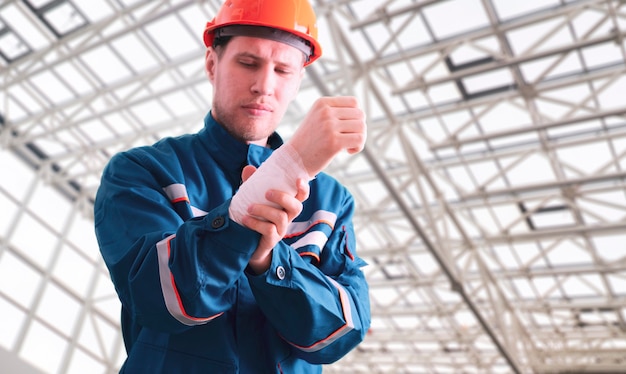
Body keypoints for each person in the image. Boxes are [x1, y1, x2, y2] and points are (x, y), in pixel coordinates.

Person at [94, 0, 371, 372]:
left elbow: (340, 331)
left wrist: (268, 261)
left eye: (283, 70)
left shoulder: (330, 201)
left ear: (298, 80)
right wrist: (286, 171)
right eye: (248, 63)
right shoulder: (144, 172)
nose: (264, 86)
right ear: (212, 64)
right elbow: (161, 298)